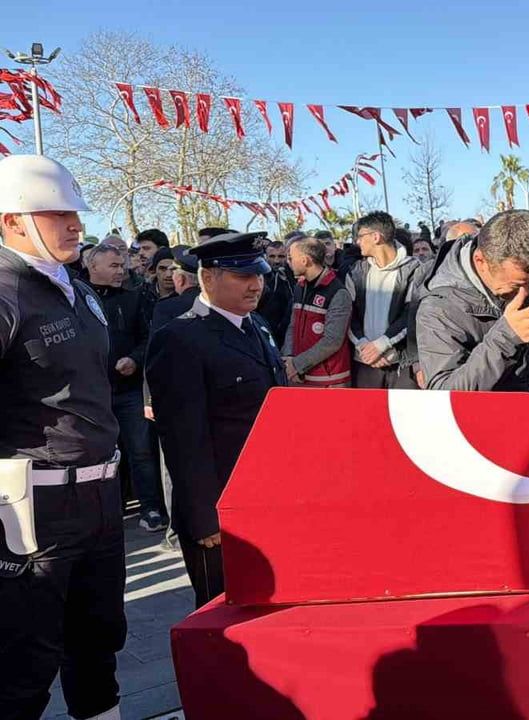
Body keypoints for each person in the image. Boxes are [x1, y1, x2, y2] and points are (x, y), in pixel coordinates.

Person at [0, 155, 126, 720]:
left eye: (74, 212)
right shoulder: (5, 292)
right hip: (35, 506)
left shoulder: (77, 288)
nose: (75, 224)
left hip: (100, 496)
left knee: (98, 644)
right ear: (12, 221)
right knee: (24, 663)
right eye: (57, 213)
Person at [146, 233, 287, 609]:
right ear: (208, 279)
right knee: (224, 612)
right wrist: (205, 514)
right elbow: (182, 437)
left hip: (265, 495)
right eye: (243, 276)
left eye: (258, 274)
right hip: (220, 508)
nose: (256, 284)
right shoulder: (180, 338)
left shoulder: (257, 325)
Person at [416, 209, 529, 391]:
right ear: (481, 261)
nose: (525, 292)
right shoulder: (439, 308)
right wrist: (506, 337)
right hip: (484, 417)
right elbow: (444, 394)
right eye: (515, 285)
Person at [84, 245, 165, 533]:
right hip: (93, 394)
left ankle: (151, 507)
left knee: (140, 450)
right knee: (100, 455)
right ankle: (107, 512)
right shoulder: (78, 297)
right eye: (114, 265)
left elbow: (149, 338)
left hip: (130, 391)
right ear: (93, 267)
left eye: (123, 265)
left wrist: (134, 358)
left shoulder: (135, 298)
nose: (121, 270)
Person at [345, 211, 427, 390]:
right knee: (367, 417)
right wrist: (364, 346)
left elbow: (412, 315)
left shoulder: (414, 270)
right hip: (364, 362)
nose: (357, 241)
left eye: (360, 236)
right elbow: (348, 314)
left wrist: (383, 344)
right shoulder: (356, 272)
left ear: (376, 237)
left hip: (401, 364)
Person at [283, 236, 353, 387]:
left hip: (329, 381)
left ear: (305, 260)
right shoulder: (299, 287)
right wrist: (288, 358)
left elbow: (332, 341)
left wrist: (297, 364)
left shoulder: (338, 292)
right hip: (298, 375)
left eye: (291, 258)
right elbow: (292, 325)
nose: (289, 263)